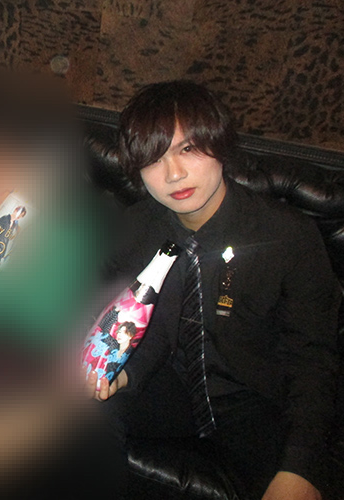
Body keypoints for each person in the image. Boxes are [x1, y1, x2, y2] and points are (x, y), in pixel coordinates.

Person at [88, 80, 340, 500]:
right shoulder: (134, 228)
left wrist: (300, 465)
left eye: (188, 149)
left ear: (220, 144)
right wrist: (121, 371)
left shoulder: (288, 237)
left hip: (256, 404)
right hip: (168, 387)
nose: (174, 174)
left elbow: (313, 361)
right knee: (78, 422)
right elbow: (128, 322)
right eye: (153, 158)